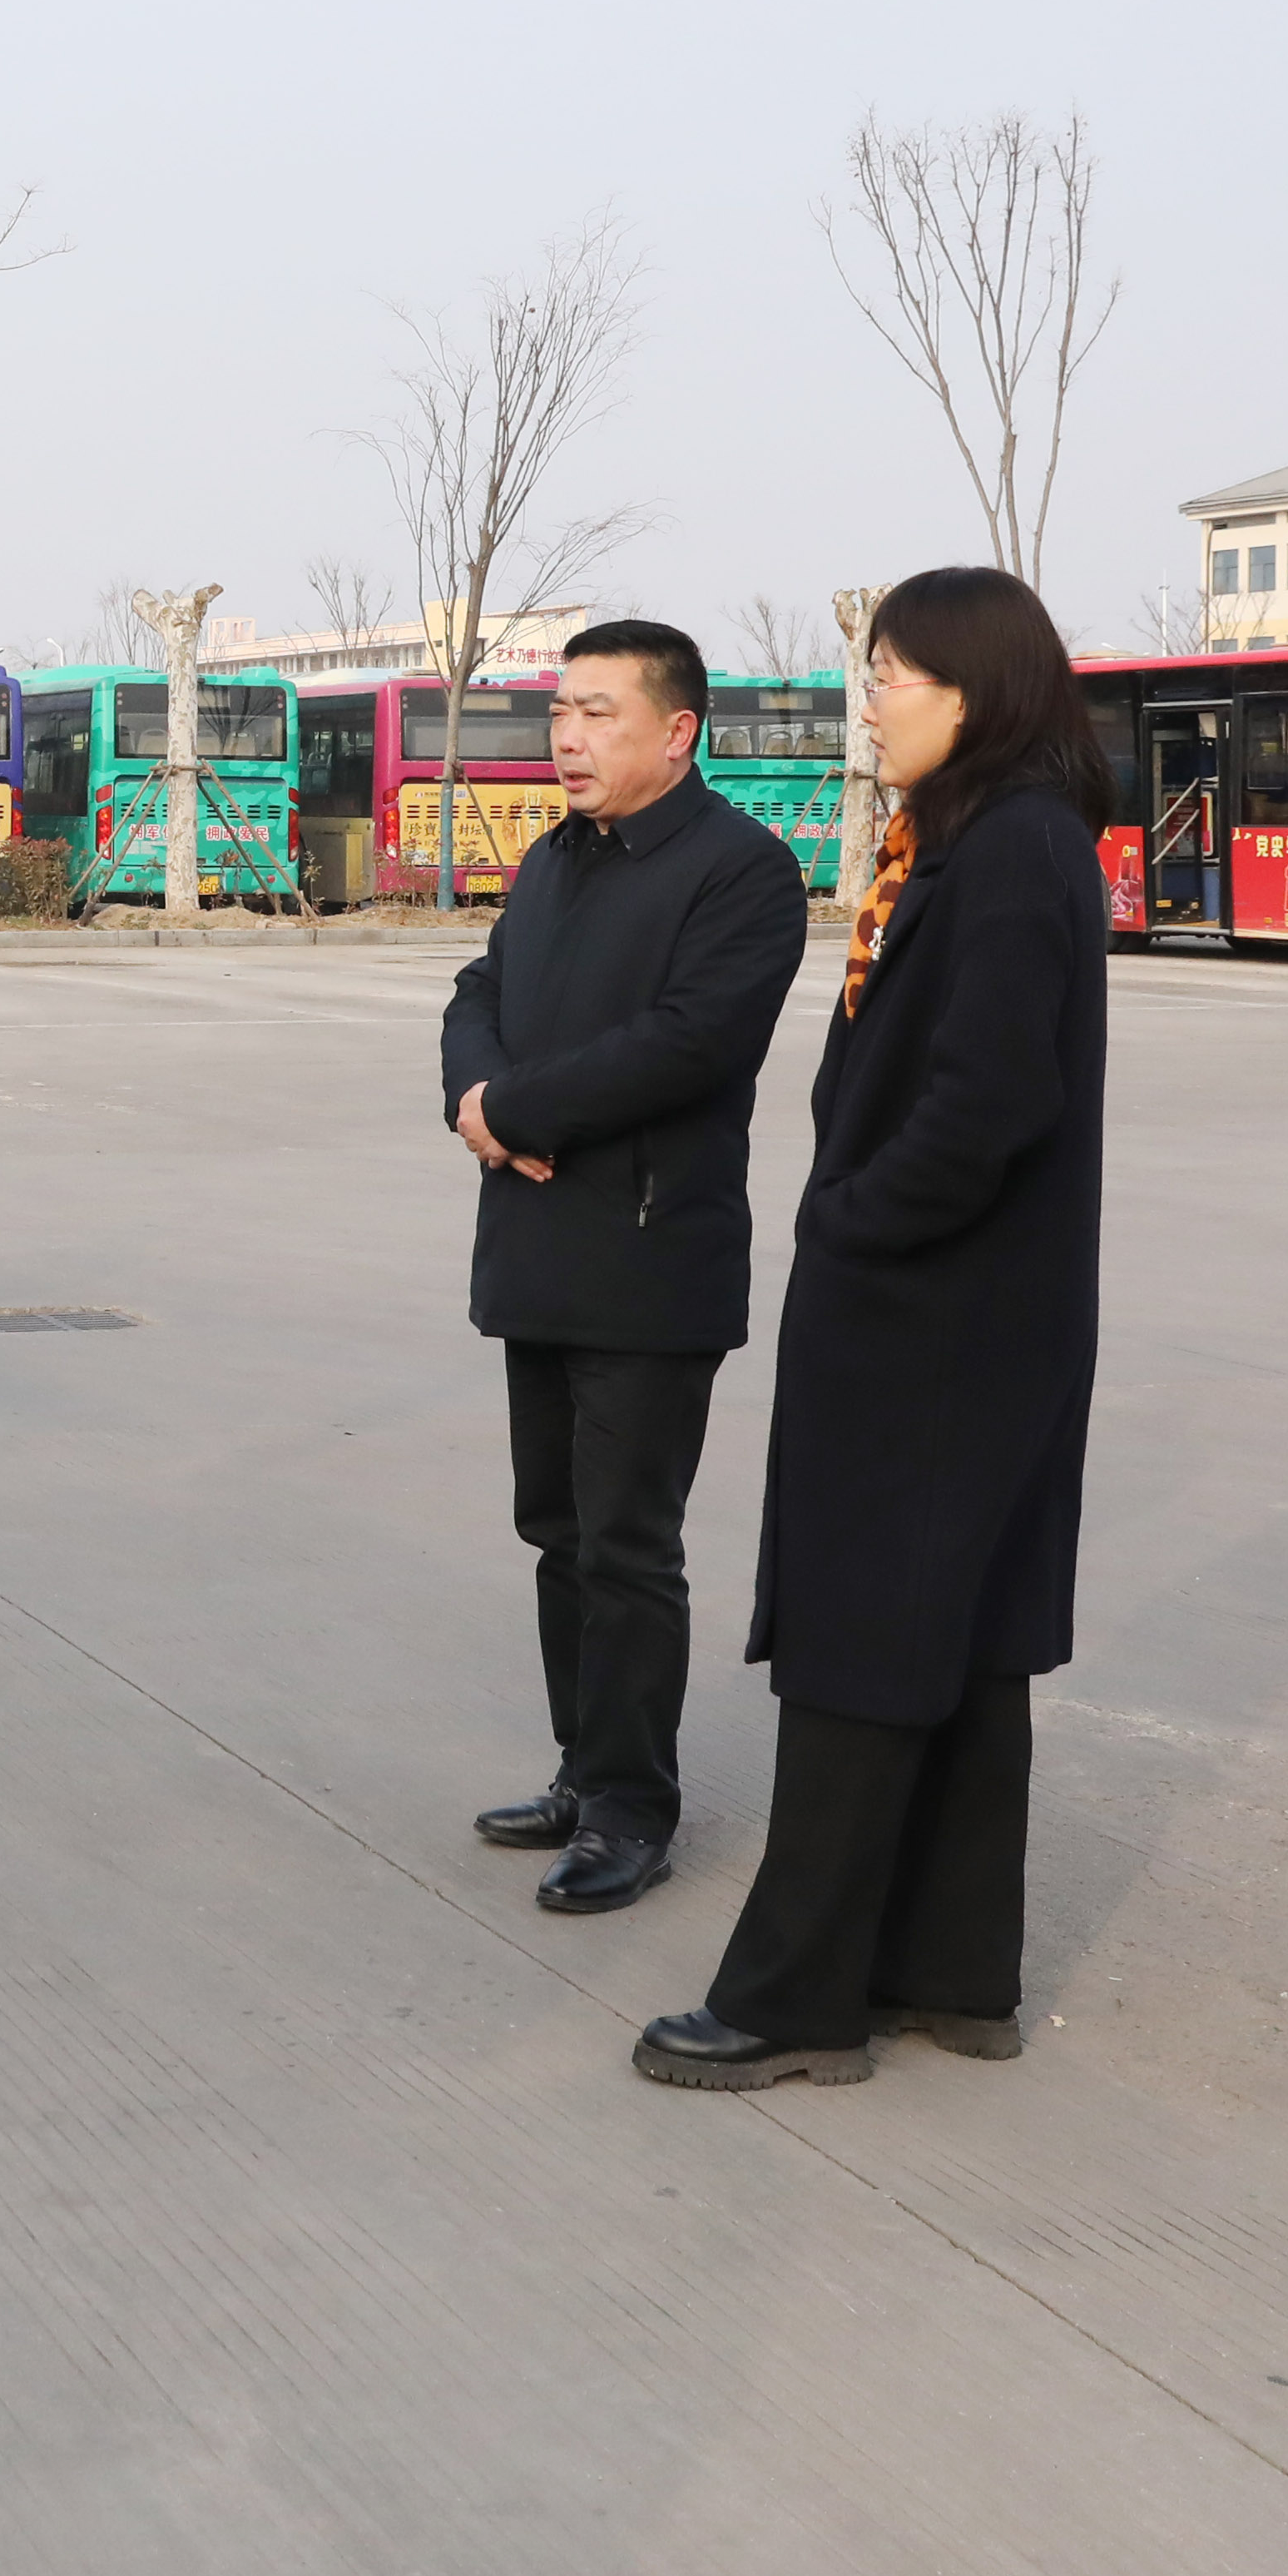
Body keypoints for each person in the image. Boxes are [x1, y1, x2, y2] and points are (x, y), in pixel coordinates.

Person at [637, 564, 1108, 2095]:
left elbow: (991, 1096)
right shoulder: (984, 835)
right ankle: (952, 1974)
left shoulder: (1012, 847)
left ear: (976, 690)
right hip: (973, 1313)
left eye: (891, 676)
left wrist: (853, 1221)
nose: (870, 704)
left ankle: (797, 1998)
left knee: (859, 1645)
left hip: (933, 1313)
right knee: (960, 1643)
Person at [437, 619, 814, 1914]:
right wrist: (477, 1098)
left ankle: (632, 1809)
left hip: (651, 1260)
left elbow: (693, 1041)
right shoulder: (554, 858)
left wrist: (518, 1108)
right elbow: (476, 993)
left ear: (678, 731)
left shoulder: (741, 872)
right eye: (560, 713)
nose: (569, 737)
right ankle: (581, 1766)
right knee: (557, 1534)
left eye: (598, 713)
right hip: (537, 1247)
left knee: (628, 1546)